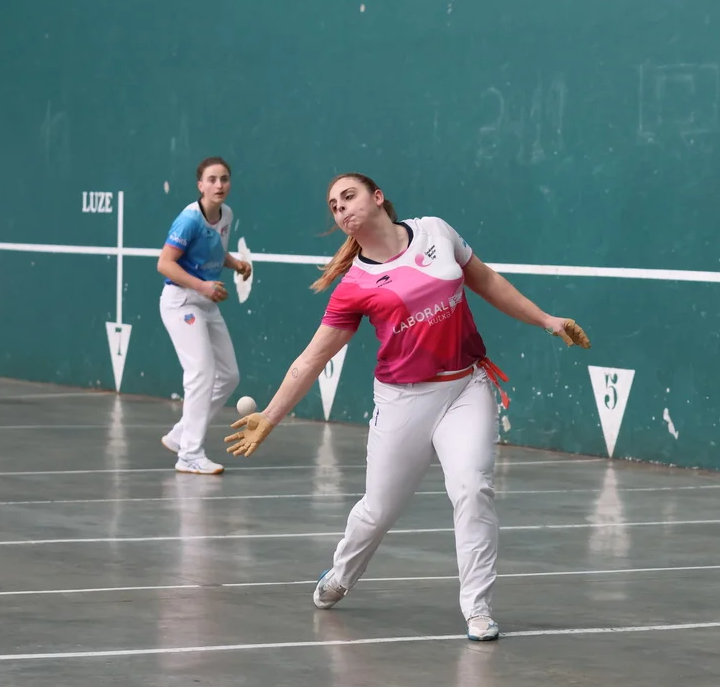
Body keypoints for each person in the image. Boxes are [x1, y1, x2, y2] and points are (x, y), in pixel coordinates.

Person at [223, 172, 590, 641]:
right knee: (378, 510)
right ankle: (340, 575)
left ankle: (478, 609)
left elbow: (486, 280)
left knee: (472, 489)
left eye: (349, 196)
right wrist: (270, 416)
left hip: (466, 387)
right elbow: (311, 359)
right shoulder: (354, 285)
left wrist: (546, 319)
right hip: (402, 402)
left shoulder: (435, 230)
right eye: (334, 206)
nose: (341, 208)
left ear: (377, 198)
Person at [156, 156, 252, 476]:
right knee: (201, 373)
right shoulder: (189, 220)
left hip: (207, 302)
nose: (219, 185)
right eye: (212, 180)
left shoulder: (227, 214)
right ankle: (189, 454)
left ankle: (180, 435)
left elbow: (214, 250)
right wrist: (202, 286)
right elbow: (165, 263)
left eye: (224, 179)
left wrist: (235, 264)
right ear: (200, 185)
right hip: (182, 302)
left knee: (229, 376)